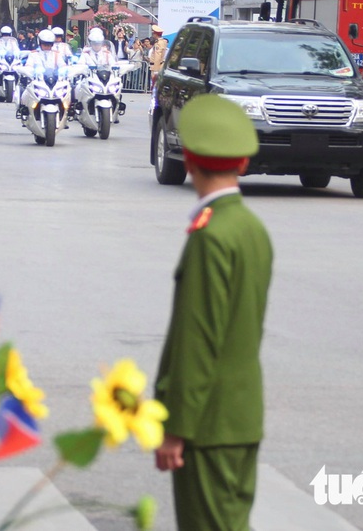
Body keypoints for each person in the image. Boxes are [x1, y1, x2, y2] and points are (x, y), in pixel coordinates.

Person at [153, 94, 272, 531]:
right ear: (242, 163)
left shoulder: (211, 235)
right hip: (242, 417)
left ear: (187, 159)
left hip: (207, 425)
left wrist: (177, 427)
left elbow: (197, 340)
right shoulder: (252, 228)